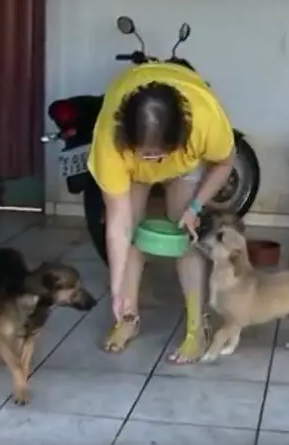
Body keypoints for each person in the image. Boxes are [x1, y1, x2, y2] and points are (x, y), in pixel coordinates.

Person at [87, 61, 235, 364]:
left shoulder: (205, 121)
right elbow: (118, 224)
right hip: (133, 168)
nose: (154, 160)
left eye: (160, 153)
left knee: (184, 229)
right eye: (147, 153)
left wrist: (195, 208)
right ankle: (126, 317)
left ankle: (197, 329)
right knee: (131, 230)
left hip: (186, 161)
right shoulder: (110, 143)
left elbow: (225, 163)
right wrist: (115, 290)